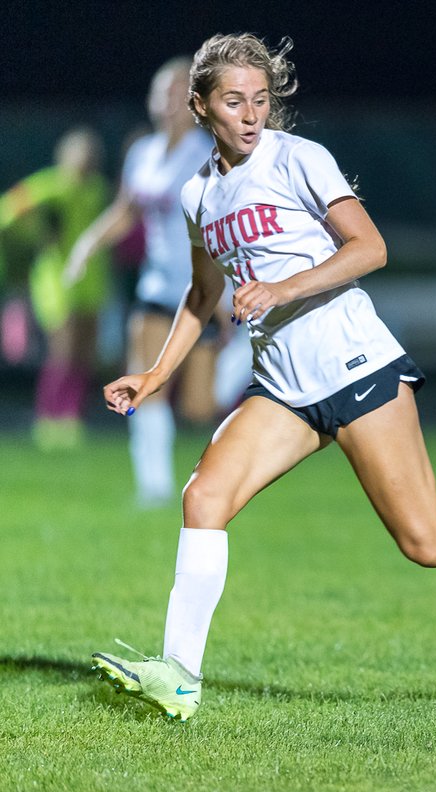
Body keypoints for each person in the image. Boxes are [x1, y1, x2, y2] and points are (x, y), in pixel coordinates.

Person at [91, 34, 436, 722]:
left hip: (356, 364)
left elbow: (370, 248)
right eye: (233, 102)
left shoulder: (298, 158)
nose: (250, 115)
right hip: (282, 387)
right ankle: (181, 677)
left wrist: (283, 287)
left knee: (428, 542)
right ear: (199, 106)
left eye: (260, 100)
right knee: (203, 498)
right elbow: (201, 293)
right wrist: (156, 374)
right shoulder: (198, 194)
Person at [66, 57, 245, 507]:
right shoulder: (142, 152)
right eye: (160, 92)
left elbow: (225, 223)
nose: (166, 101)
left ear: (195, 102)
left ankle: (241, 356)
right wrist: (87, 245)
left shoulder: (208, 154)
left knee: (199, 408)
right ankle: (153, 486)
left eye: (176, 93)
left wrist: (228, 289)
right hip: (155, 287)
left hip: (200, 291)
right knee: (140, 385)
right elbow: (127, 210)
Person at [0, 127, 110, 450]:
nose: (86, 159)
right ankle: (48, 418)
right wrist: (33, 232)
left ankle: (71, 417)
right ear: (65, 155)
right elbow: (9, 211)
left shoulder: (98, 190)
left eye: (91, 153)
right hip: (57, 282)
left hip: (92, 280)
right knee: (62, 351)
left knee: (84, 354)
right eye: (80, 152)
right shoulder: (49, 186)